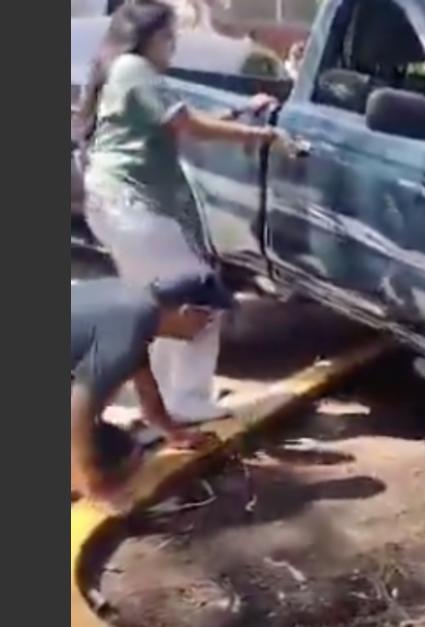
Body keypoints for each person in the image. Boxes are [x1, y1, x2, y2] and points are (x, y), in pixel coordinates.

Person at [76, 0, 287, 424]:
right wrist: (260, 134)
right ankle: (187, 399)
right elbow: (188, 126)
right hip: (137, 212)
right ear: (149, 37)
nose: (174, 45)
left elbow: (179, 123)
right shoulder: (136, 71)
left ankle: (172, 397)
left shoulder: (121, 71)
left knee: (159, 309)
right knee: (199, 302)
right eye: (169, 36)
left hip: (117, 208)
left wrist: (239, 113)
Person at [71, 273, 233, 502]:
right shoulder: (129, 330)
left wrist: (172, 432)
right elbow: (76, 413)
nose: (208, 327)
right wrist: (93, 486)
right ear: (187, 311)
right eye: (208, 318)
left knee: (115, 442)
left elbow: (145, 383)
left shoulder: (137, 307)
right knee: (115, 459)